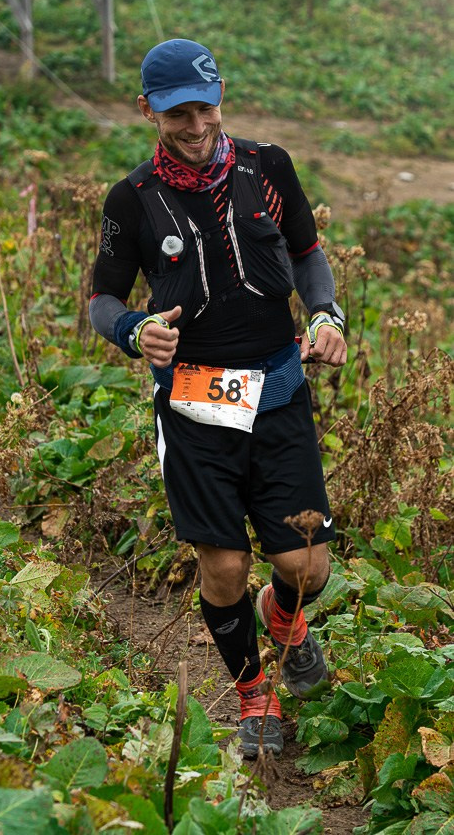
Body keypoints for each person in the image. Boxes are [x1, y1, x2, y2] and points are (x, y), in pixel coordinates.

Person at [89, 38, 347, 758]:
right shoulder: (132, 200)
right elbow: (100, 298)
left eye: (204, 106)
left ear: (220, 96)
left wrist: (326, 315)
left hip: (277, 387)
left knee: (304, 567)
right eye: (175, 113)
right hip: (195, 402)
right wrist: (132, 329)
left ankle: (284, 619)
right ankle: (253, 696)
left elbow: (306, 253)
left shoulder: (269, 169)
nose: (194, 125)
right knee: (225, 567)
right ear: (147, 110)